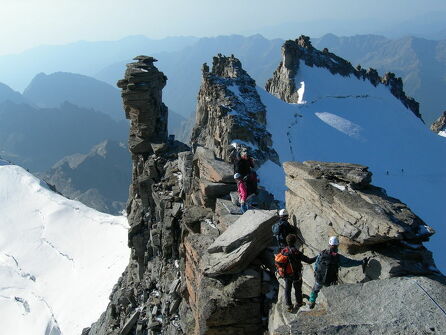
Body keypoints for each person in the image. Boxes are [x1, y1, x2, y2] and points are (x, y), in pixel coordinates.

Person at [308, 236, 369, 309]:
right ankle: (334, 307)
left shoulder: (322, 253)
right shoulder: (338, 257)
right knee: (333, 293)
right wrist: (361, 262)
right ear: (337, 245)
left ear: (329, 244)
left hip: (319, 278)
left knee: (315, 290)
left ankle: (311, 301)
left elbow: (316, 264)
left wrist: (316, 273)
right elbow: (349, 263)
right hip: (330, 281)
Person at [275, 234, 316, 312]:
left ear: (287, 241)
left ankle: (289, 306)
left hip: (286, 273)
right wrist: (318, 256)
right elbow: (309, 260)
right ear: (295, 241)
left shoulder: (284, 250)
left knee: (287, 289)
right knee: (297, 289)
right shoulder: (295, 252)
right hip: (295, 274)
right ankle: (299, 303)